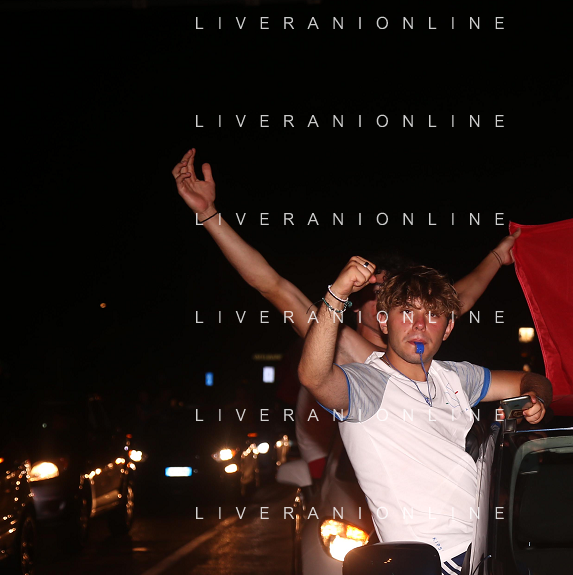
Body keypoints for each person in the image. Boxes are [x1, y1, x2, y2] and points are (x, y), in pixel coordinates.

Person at [172, 148, 521, 481]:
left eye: (399, 300)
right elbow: (274, 286)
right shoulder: (346, 345)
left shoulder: (423, 350)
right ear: (356, 304)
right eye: (376, 294)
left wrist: (497, 257)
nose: (389, 304)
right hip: (355, 489)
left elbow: (460, 297)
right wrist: (209, 216)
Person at [299, 258, 552, 575]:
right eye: (406, 312)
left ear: (447, 329)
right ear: (383, 321)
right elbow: (315, 378)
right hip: (440, 567)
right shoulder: (367, 385)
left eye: (432, 315)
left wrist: (536, 398)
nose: (419, 325)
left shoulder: (454, 377)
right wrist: (338, 294)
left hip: (492, 551)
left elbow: (530, 380)